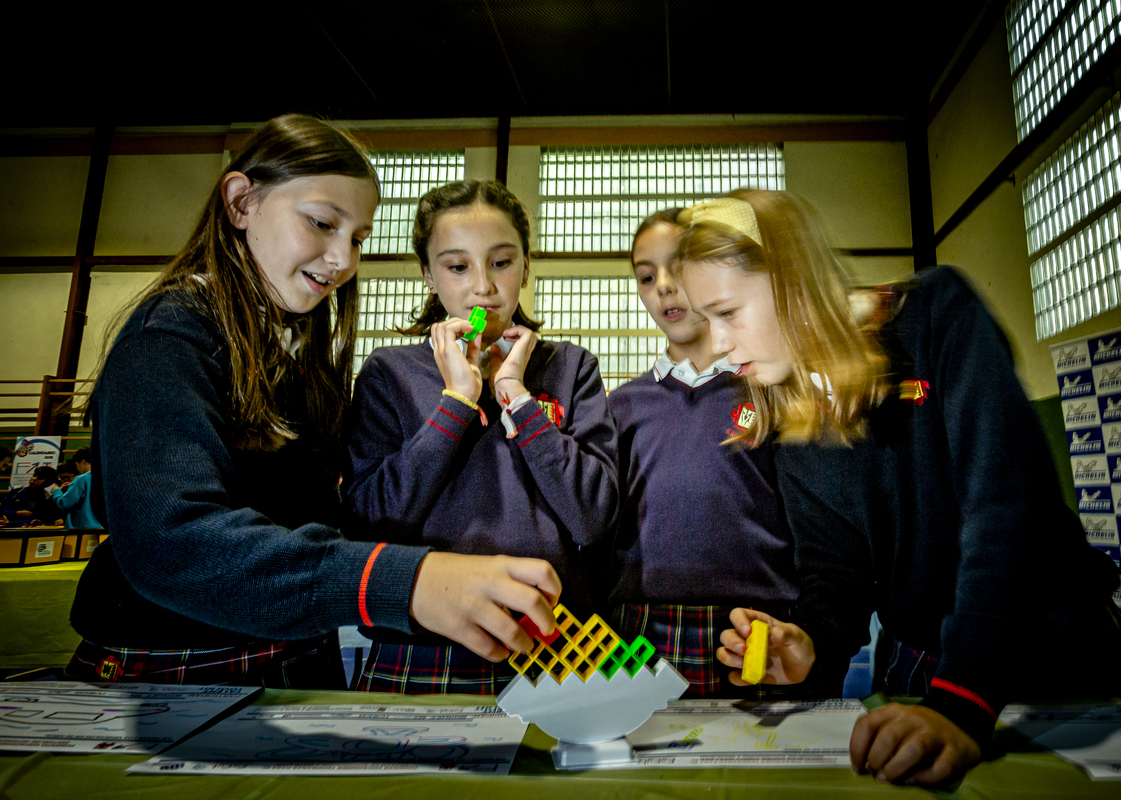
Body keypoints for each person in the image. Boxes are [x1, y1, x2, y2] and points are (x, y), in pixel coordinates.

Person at [671, 191, 1121, 785]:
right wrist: (811, 643)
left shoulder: (936, 314)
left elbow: (1005, 512)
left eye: (727, 313)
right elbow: (835, 572)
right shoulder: (791, 415)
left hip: (1048, 662)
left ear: (790, 281)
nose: (716, 345)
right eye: (705, 320)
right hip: (924, 674)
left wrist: (960, 701)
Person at [66, 116, 561, 689]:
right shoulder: (172, 335)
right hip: (177, 663)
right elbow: (170, 542)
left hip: (297, 653)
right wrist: (409, 580)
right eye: (322, 223)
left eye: (357, 239)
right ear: (240, 202)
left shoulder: (299, 350)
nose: (344, 260)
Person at [344, 179, 619, 694]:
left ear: (526, 264)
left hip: (558, 645)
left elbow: (593, 517)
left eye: (501, 262)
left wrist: (515, 395)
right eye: (456, 266)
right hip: (420, 646)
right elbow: (368, 526)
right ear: (428, 275)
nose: (483, 288)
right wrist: (456, 403)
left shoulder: (570, 368)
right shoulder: (389, 373)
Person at [604, 209, 798, 698]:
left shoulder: (768, 390)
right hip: (638, 628)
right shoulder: (621, 405)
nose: (664, 287)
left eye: (677, 269)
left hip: (753, 627)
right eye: (647, 277)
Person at [52, 447, 100, 528]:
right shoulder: (105, 478)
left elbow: (65, 504)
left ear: (83, 461)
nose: (77, 468)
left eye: (77, 465)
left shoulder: (81, 479)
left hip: (81, 529)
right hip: (101, 528)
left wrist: (56, 492)